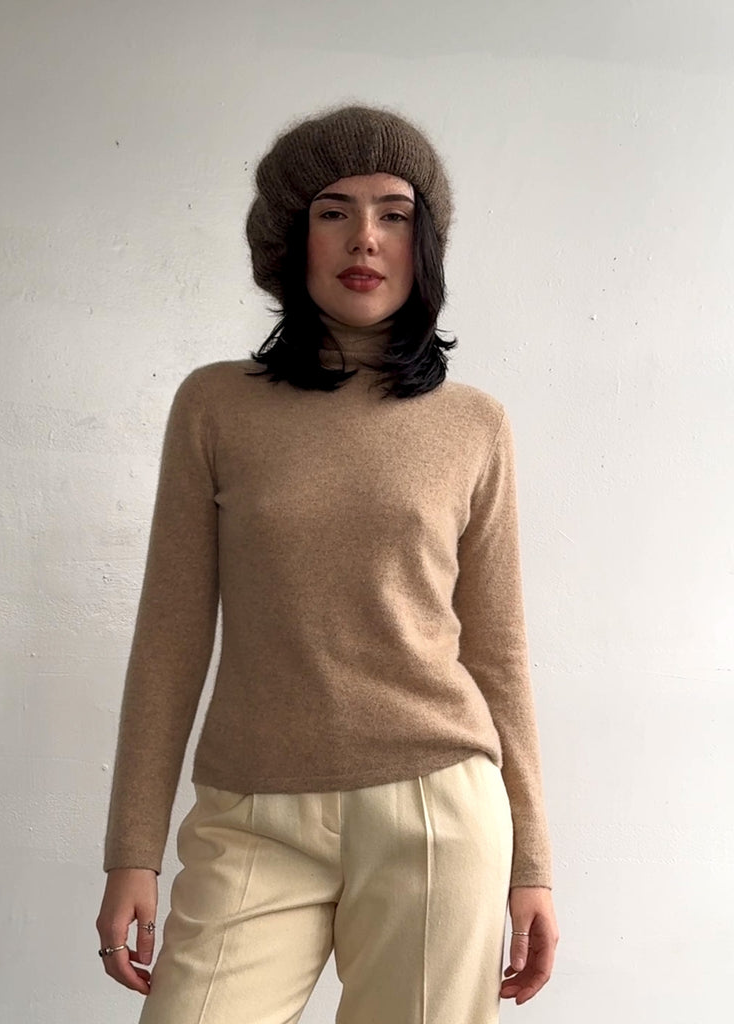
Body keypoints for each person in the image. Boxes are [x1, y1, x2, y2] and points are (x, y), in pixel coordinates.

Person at [95, 102, 559, 1023]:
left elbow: (498, 654)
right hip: (251, 813)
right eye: (333, 211)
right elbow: (170, 638)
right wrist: (131, 851)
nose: (366, 238)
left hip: (437, 809)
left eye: (395, 213)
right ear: (288, 239)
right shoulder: (215, 407)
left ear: (425, 244)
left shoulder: (474, 424)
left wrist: (534, 864)